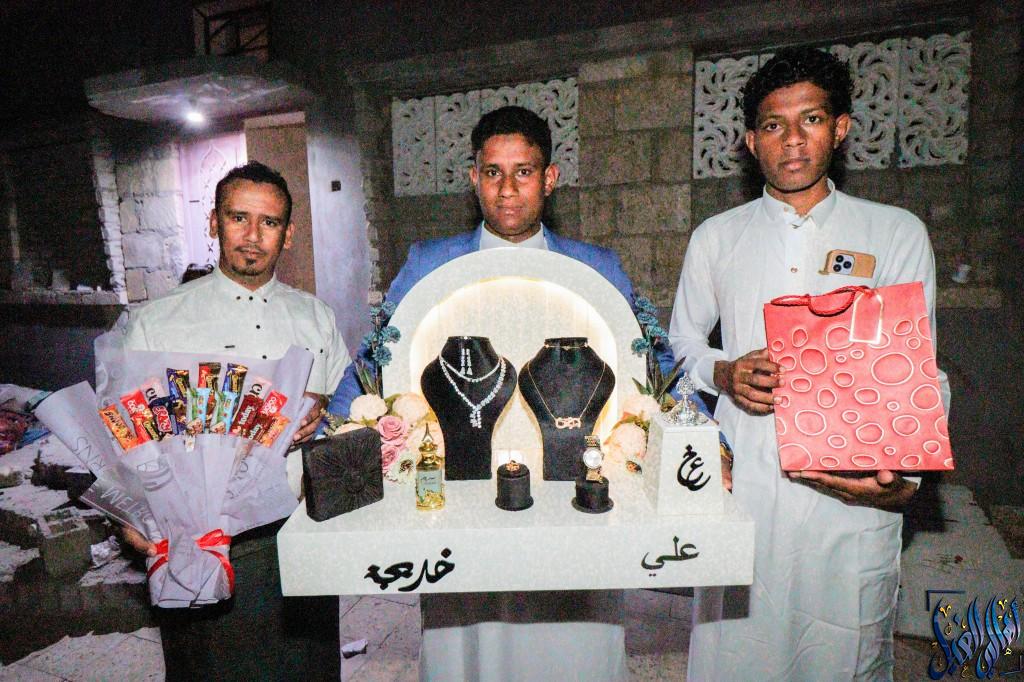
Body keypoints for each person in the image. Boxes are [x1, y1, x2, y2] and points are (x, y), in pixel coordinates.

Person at [329, 105, 708, 682]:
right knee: (469, 641)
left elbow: (654, 364)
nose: (507, 189)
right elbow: (374, 359)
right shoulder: (429, 262)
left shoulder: (597, 266)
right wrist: (333, 436)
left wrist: (708, 442)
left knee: (572, 640)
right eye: (493, 172)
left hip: (572, 484)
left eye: (523, 172)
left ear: (549, 178)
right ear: (474, 178)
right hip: (461, 488)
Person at [669, 46, 950, 680]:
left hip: (852, 492)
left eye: (812, 120)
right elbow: (679, 345)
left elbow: (920, 368)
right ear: (751, 141)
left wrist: (905, 476)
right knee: (736, 651)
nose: (792, 140)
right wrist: (724, 373)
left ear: (841, 127)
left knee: (841, 653)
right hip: (748, 481)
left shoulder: (894, 232)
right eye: (774, 125)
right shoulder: (717, 237)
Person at [123, 161, 349, 681]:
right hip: (206, 540)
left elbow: (344, 408)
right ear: (214, 223)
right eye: (237, 218)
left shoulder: (316, 317)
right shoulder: (159, 321)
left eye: (269, 222)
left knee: (308, 669)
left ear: (288, 234)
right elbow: (129, 436)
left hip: (302, 531)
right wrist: (131, 512)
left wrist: (323, 417)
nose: (252, 236)